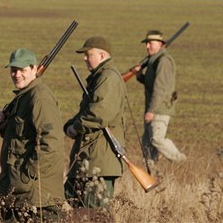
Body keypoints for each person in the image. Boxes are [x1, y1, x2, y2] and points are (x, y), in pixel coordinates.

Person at [0, 48, 64, 222]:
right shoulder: (23, 97)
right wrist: (3, 125)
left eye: (22, 70)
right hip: (21, 193)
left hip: (37, 197)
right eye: (13, 70)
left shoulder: (39, 97)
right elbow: (21, 137)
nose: (17, 75)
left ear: (34, 69)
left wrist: (26, 176)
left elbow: (51, 143)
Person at [64, 36, 126, 209]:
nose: (84, 58)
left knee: (95, 213)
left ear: (102, 55)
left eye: (88, 54)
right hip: (91, 158)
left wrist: (75, 127)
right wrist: (70, 124)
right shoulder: (100, 77)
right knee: (74, 200)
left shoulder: (108, 78)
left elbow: (99, 113)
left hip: (100, 160)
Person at [132, 30, 186, 164]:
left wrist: (151, 110)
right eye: (146, 43)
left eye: (150, 43)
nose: (147, 46)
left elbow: (160, 89)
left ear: (160, 44)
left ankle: (181, 161)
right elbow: (151, 84)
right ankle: (150, 172)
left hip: (159, 108)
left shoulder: (163, 61)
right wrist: (139, 76)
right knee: (148, 143)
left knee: (157, 138)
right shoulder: (153, 61)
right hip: (152, 107)